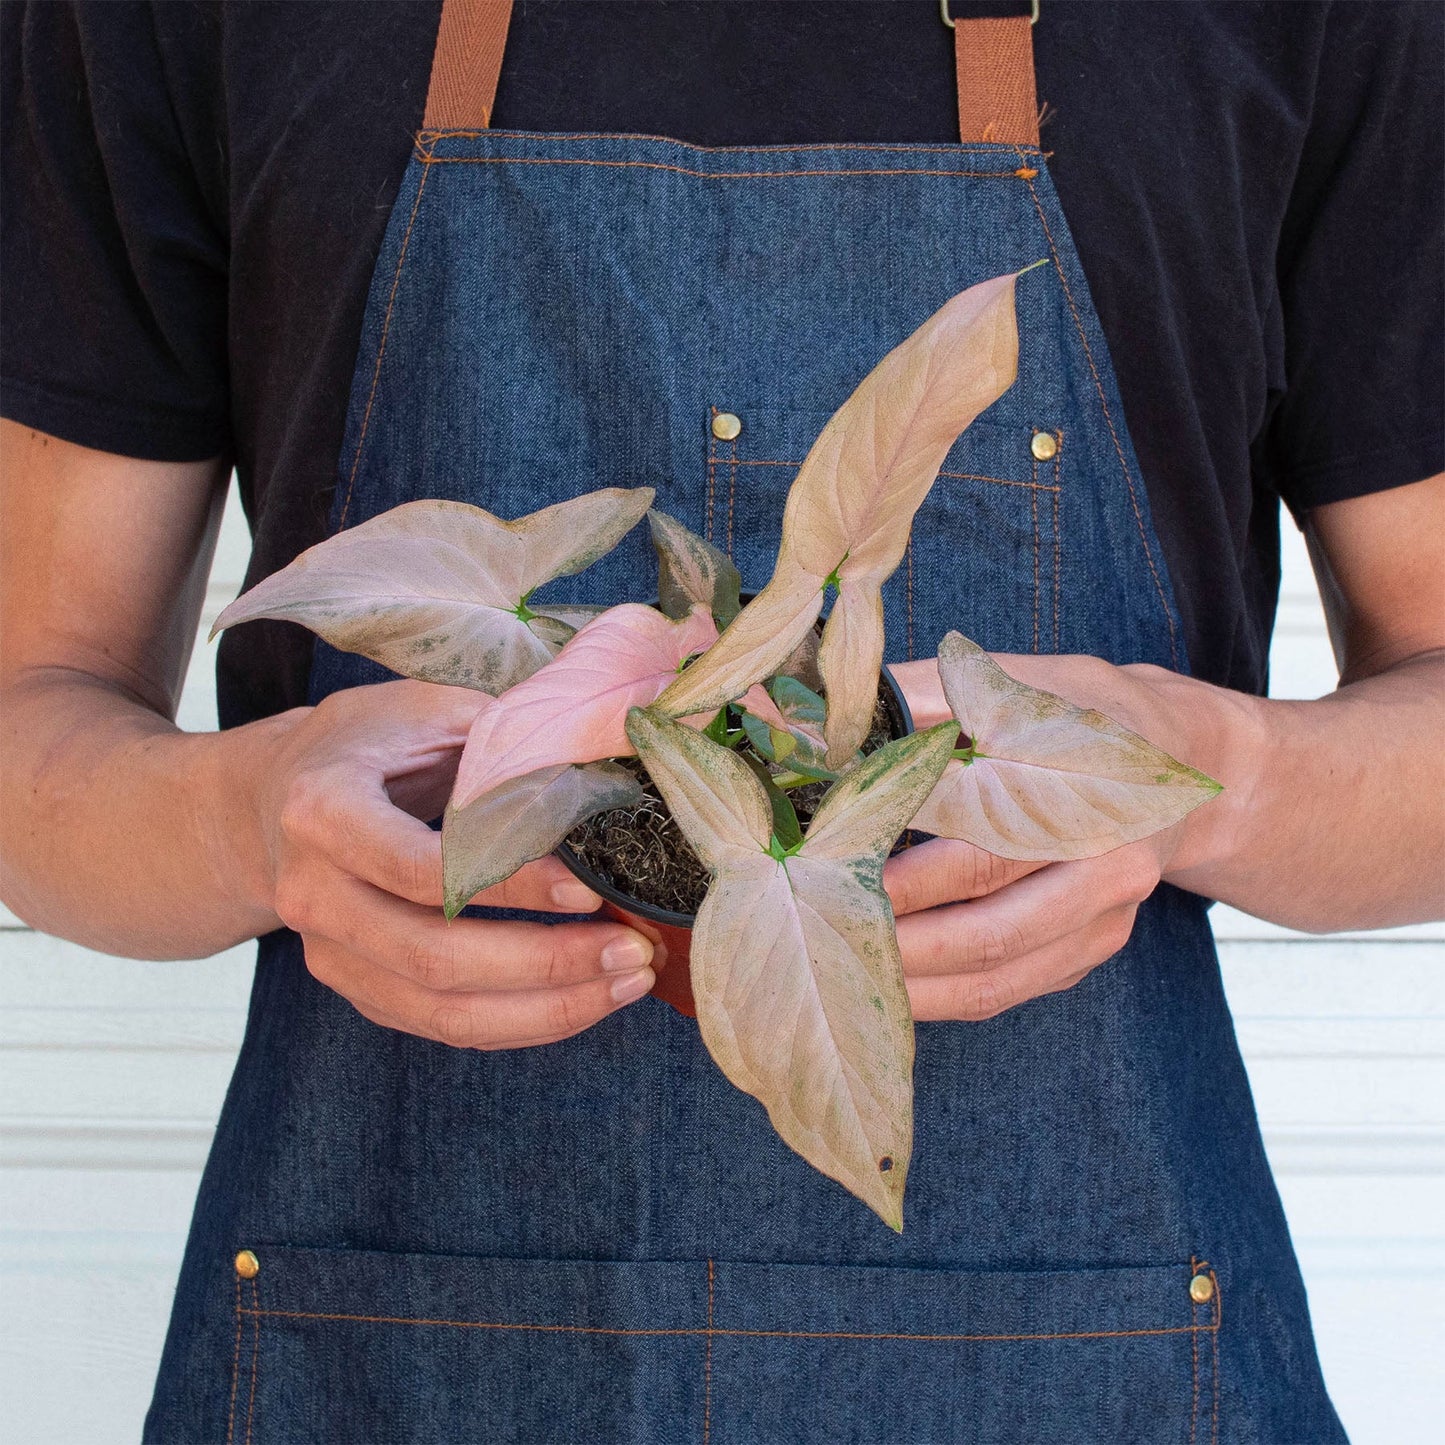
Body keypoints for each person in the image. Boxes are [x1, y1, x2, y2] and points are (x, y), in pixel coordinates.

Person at [2, 2, 1440, 1440]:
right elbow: (31, 712)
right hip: (386, 1361)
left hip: (1095, 1365)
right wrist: (254, 824)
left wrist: (1189, 780)